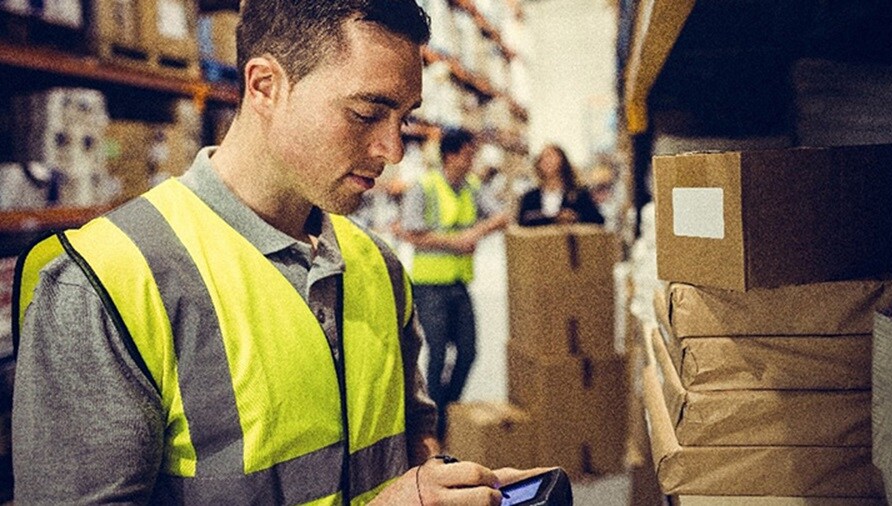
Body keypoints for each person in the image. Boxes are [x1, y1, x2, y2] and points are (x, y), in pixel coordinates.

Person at [11, 2, 540, 504]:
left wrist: (447, 485)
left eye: (402, 118)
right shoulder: (107, 283)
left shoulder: (377, 264)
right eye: (365, 113)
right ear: (265, 86)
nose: (394, 150)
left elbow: (411, 434)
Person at [399, 128, 509, 442]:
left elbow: (501, 216)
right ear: (450, 155)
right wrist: (455, 242)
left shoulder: (472, 186)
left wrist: (475, 233)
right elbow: (410, 232)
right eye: (468, 154)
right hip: (429, 285)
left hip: (459, 284)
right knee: (436, 355)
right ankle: (435, 428)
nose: (472, 160)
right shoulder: (425, 187)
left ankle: (446, 411)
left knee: (469, 352)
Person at [517, 144, 605, 227]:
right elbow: (523, 222)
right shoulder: (530, 197)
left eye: (551, 156)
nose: (547, 161)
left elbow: (598, 221)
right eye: (543, 158)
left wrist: (575, 217)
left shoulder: (578, 195)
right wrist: (551, 219)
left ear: (562, 161)